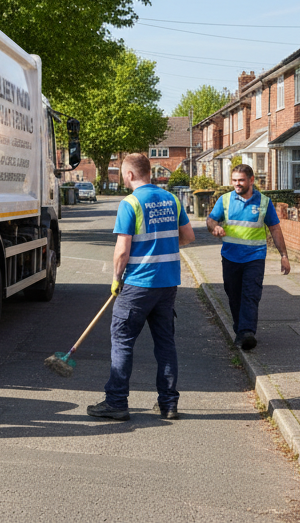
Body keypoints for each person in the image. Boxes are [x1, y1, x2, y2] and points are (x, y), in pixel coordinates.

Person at [88, 152, 194, 422]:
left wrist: (116, 278)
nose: (124, 178)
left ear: (130, 174)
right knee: (165, 345)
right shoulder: (172, 199)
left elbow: (122, 250)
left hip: (137, 284)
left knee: (122, 341)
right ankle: (169, 404)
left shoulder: (130, 203)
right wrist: (164, 248)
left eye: (124, 173)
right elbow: (189, 237)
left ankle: (116, 403)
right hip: (168, 283)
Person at [205, 164, 289, 351]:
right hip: (230, 257)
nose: (237, 184)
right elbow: (210, 220)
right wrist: (214, 227)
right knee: (234, 296)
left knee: (251, 294)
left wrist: (284, 255)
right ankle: (241, 331)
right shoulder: (225, 200)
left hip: (255, 258)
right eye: (234, 180)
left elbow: (275, 228)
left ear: (251, 180)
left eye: (241, 180)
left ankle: (247, 333)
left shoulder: (264, 202)